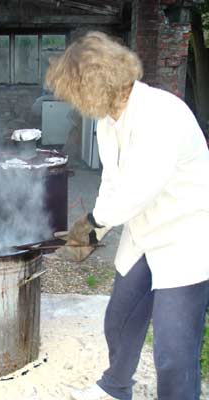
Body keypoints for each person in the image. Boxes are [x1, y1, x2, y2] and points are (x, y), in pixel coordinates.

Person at [46, 31, 209, 400]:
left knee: (173, 351)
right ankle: (116, 386)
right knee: (118, 320)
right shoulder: (109, 122)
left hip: (186, 238)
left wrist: (91, 225)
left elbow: (136, 191)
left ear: (92, 84)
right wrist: (91, 236)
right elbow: (112, 182)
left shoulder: (159, 114)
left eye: (73, 91)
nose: (73, 102)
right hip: (145, 233)